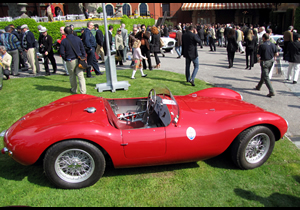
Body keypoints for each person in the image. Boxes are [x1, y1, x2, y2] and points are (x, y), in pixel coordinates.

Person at [60, 26, 87, 94]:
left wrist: (65, 58)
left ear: (65, 33)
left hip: (70, 60)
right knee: (80, 76)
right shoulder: (78, 39)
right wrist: (83, 57)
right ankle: (83, 91)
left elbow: (61, 52)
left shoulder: (64, 41)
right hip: (79, 59)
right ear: (72, 31)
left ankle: (74, 89)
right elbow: (82, 49)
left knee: (72, 76)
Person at [254, 33, 278, 97]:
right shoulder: (273, 44)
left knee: (266, 76)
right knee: (264, 74)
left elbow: (258, 55)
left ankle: (271, 91)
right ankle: (259, 86)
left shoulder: (262, 45)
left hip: (265, 61)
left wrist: (258, 58)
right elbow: (277, 54)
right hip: (271, 61)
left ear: (264, 38)